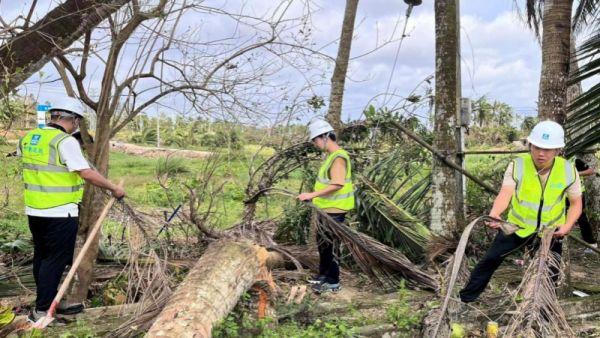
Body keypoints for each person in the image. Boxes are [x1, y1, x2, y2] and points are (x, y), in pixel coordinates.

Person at [18, 97, 125, 323]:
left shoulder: (29, 138)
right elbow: (85, 172)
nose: (77, 125)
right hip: (59, 212)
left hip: (35, 210)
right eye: (77, 121)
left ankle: (47, 302)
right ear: (72, 119)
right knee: (56, 259)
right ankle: (42, 310)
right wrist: (113, 188)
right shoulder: (64, 142)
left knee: (42, 256)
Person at [459, 120, 582, 303]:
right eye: (537, 147)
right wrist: (495, 213)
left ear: (558, 150)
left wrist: (567, 226)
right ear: (530, 145)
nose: (541, 153)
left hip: (550, 231)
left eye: (547, 149)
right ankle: (465, 300)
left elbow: (576, 203)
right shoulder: (518, 165)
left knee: (550, 273)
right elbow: (505, 193)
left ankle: (543, 312)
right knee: (489, 260)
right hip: (517, 227)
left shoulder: (568, 170)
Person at [297, 118, 355, 293]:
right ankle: (323, 275)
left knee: (331, 246)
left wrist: (311, 195)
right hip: (326, 210)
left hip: (335, 211)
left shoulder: (338, 158)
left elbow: (337, 184)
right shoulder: (331, 156)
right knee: (323, 244)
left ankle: (333, 281)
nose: (315, 144)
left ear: (325, 137)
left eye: (315, 140)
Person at [572, 156, 597, 251]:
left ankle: (591, 243)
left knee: (581, 217)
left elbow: (591, 171)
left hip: (577, 194)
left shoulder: (575, 160)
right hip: (560, 193)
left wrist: (576, 174)